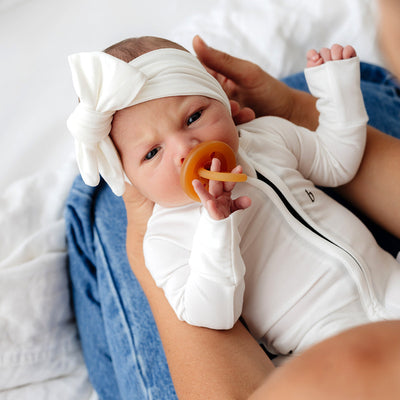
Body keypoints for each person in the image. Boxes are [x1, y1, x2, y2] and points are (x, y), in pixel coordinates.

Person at [65, 35, 400, 399]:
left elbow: (335, 164)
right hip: (320, 350)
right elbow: (212, 315)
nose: (185, 149)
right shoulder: (163, 238)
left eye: (194, 117)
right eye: (152, 153)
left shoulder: (266, 138)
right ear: (130, 182)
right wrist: (217, 227)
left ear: (226, 103)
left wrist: (337, 92)